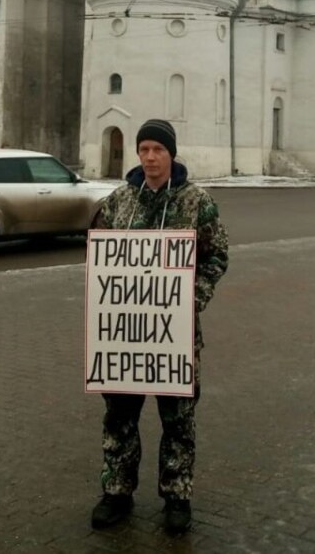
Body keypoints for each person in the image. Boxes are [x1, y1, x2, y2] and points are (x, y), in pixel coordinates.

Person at [89, 119, 230, 534]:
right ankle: (116, 491)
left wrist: (191, 301)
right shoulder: (118, 201)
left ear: (171, 154)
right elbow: (100, 258)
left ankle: (177, 496)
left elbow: (217, 257)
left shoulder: (195, 202)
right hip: (125, 335)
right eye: (144, 149)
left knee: (178, 420)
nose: (150, 157)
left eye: (158, 150)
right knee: (119, 417)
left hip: (175, 336)